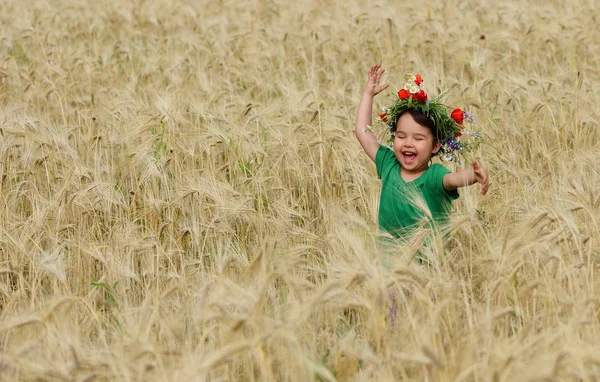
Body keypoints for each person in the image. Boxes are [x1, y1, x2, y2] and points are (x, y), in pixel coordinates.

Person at [355, 64, 488, 263]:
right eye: (401, 136)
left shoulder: (433, 176)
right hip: (389, 265)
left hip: (427, 270)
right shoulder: (389, 164)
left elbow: (453, 179)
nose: (408, 143)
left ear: (435, 146)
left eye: (418, 139)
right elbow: (363, 133)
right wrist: (368, 94)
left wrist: (474, 175)